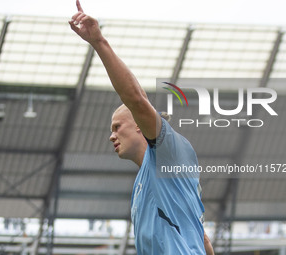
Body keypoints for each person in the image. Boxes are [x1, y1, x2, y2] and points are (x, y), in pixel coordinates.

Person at [69, 1, 214, 254]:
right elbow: (202, 240)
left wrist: (99, 42)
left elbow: (136, 99)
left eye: (117, 127)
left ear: (139, 125)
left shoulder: (170, 151)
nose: (111, 135)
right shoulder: (145, 182)